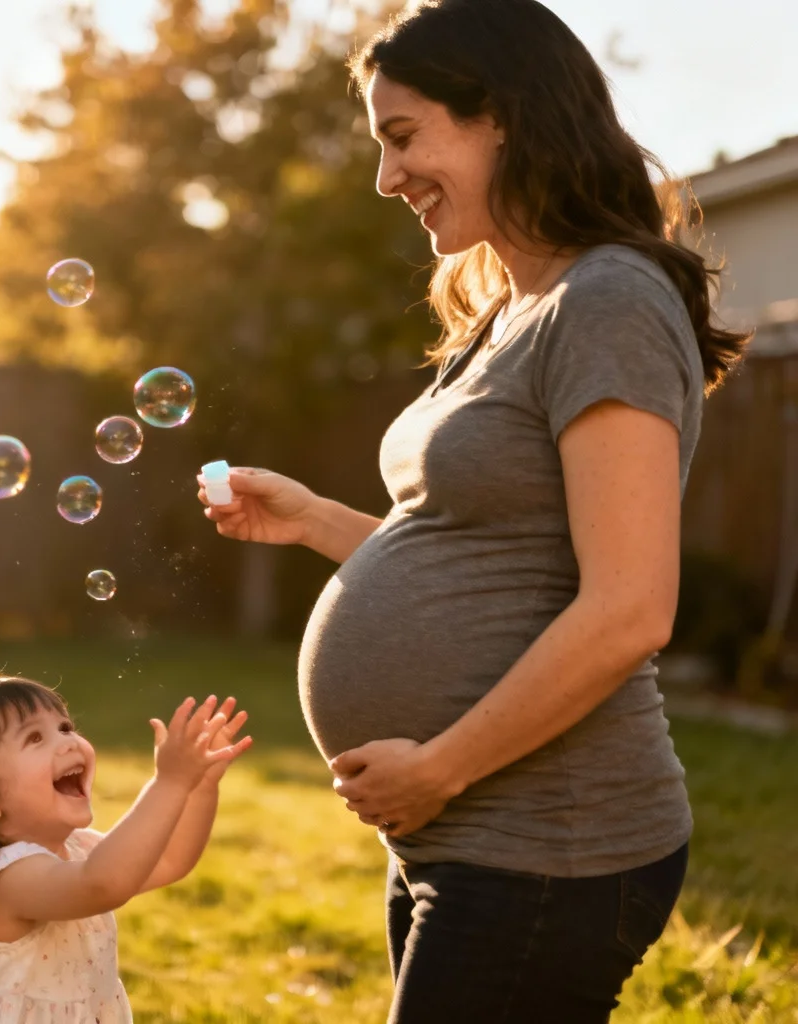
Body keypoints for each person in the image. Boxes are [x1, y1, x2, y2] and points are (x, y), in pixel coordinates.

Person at [197, 0, 752, 1020]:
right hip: (463, 831)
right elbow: (494, 558)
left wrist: (438, 767)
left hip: (551, 838)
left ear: (502, 115)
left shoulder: (609, 301)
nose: (385, 178)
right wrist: (322, 521)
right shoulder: (511, 308)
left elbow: (630, 607)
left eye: (403, 137)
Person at [0, 672, 251, 1023]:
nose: (67, 741)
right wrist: (170, 784)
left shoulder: (78, 850)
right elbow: (104, 885)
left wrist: (201, 787)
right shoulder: (6, 877)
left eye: (65, 727)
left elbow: (169, 861)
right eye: (35, 737)